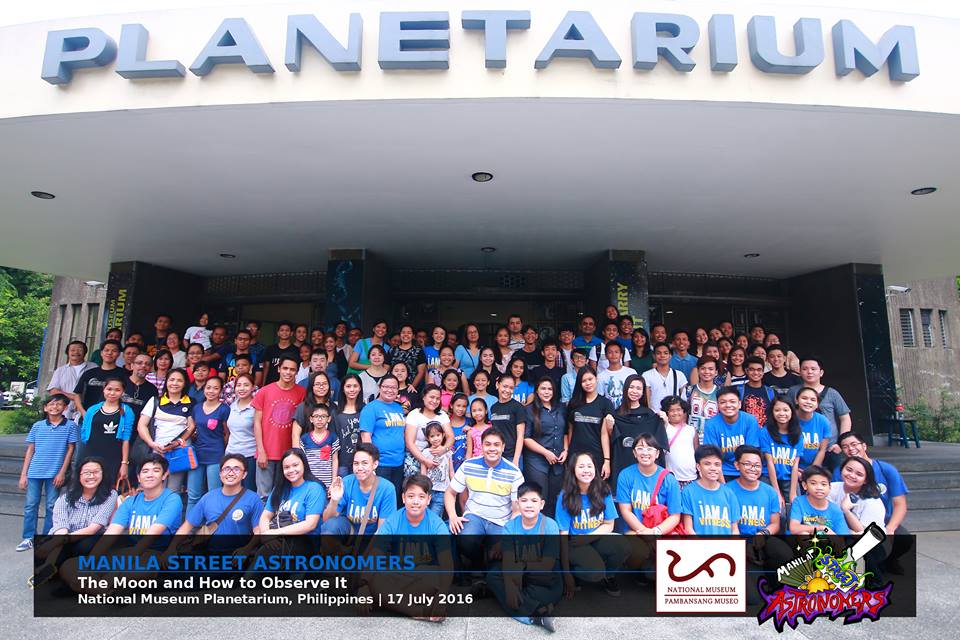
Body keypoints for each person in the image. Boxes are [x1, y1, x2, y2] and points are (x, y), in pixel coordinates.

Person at [490, 481, 562, 633]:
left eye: (534, 501)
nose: (529, 505)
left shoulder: (550, 525)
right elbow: (508, 561)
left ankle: (501, 596)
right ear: (517, 503)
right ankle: (539, 615)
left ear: (541, 504)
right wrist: (510, 586)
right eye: (524, 501)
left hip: (543, 578)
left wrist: (519, 569)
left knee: (540, 594)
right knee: (493, 576)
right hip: (518, 574)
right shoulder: (510, 527)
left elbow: (548, 564)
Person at [445, 429, 522, 566]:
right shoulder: (469, 465)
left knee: (501, 553)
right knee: (465, 539)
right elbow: (450, 492)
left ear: (503, 447)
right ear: (481, 446)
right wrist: (452, 516)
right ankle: (477, 563)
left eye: (496, 445)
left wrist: (507, 535)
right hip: (474, 516)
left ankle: (489, 568)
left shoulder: (514, 472)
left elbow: (517, 510)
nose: (492, 448)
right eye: (488, 444)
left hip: (501, 521)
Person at [555, 452, 624, 597]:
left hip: (594, 538)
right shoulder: (565, 495)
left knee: (623, 545)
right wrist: (566, 574)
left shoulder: (603, 490)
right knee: (595, 572)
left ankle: (609, 576)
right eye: (581, 466)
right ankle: (576, 572)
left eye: (589, 466)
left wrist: (588, 537)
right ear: (573, 470)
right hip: (575, 543)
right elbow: (563, 536)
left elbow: (609, 524)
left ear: (595, 469)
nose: (586, 470)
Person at [17, 395, 79, 552]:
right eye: (51, 404)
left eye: (59, 404)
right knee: (31, 505)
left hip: (55, 473)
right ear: (45, 407)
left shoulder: (70, 426)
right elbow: (31, 449)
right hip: (34, 472)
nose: (55, 407)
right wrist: (23, 474)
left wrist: (62, 473)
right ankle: (28, 537)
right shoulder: (38, 426)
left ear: (65, 408)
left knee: (52, 506)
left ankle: (46, 538)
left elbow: (70, 449)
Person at [835, 432, 909, 536]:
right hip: (850, 520)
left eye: (854, 444)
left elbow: (900, 504)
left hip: (883, 520)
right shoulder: (840, 472)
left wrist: (890, 528)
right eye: (845, 447)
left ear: (864, 446)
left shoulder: (887, 470)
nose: (851, 449)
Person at [252, 357, 306, 497]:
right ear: (278, 369)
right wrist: (261, 450)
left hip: (289, 454)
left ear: (297, 372)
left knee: (286, 495)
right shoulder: (264, 391)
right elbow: (257, 423)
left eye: (292, 369)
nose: (288, 372)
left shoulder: (302, 393)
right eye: (285, 368)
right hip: (267, 452)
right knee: (264, 495)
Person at [136, 369, 196, 495]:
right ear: (166, 382)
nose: (175, 383)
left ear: (185, 384)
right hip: (156, 451)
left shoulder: (191, 402)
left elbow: (191, 427)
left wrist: (178, 442)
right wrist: (152, 444)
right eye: (172, 379)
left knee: (173, 490)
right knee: (154, 488)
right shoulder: (155, 401)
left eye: (179, 380)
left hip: (178, 452)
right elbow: (142, 425)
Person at [175, 453, 264, 535]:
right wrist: (171, 548)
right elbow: (187, 526)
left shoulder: (253, 499)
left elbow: (258, 530)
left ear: (244, 474)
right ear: (220, 473)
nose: (231, 473)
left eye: (236, 469)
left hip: (238, 550)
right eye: (226, 469)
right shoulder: (208, 497)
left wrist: (247, 548)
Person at [788, 356, 852, 468]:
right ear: (799, 372)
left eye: (813, 369)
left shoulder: (832, 393)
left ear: (821, 372)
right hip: (801, 447)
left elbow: (845, 417)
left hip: (830, 447)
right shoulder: (793, 391)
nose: (809, 372)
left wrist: (841, 443)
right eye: (805, 369)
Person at [321, 443, 397, 535]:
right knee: (331, 526)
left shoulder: (387, 489)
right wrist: (334, 500)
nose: (359, 468)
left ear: (375, 464)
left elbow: (384, 530)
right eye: (356, 463)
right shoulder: (347, 482)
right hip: (350, 534)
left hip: (372, 539)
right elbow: (326, 521)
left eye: (365, 463)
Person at [616, 432, 682, 535]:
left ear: (657, 454)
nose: (645, 453)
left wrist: (655, 532)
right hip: (634, 531)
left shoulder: (669, 479)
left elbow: (675, 516)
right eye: (640, 448)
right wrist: (645, 532)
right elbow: (625, 510)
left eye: (649, 449)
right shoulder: (625, 475)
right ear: (634, 453)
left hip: (660, 530)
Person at [610, 376, 669, 487]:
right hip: (623, 467)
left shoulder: (650, 415)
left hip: (647, 470)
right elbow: (610, 442)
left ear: (643, 392)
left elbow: (658, 442)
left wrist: (664, 423)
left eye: (638, 388)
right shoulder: (616, 415)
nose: (634, 391)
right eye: (631, 387)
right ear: (625, 389)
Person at [522, 378, 567, 518]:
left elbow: (565, 432)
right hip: (536, 460)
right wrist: (546, 452)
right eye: (543, 388)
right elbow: (526, 438)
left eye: (550, 389)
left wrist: (566, 450)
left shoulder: (561, 408)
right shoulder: (529, 410)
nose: (546, 392)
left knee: (557, 498)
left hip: (558, 461)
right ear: (537, 390)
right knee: (540, 497)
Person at [108, 453, 184, 534]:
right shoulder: (130, 502)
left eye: (156, 471)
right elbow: (113, 531)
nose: (150, 475)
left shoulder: (172, 500)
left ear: (164, 475)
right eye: (145, 471)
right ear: (138, 478)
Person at [77, 378, 134, 486]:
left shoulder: (126, 411)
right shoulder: (92, 410)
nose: (112, 393)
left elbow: (126, 439)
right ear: (104, 390)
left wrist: (124, 463)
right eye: (109, 389)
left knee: (108, 488)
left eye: (117, 390)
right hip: (90, 453)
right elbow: (84, 432)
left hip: (113, 457)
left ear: (123, 392)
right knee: (88, 485)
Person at [258, 448, 326, 536]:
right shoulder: (279, 489)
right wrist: (265, 534)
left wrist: (275, 533)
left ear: (304, 465)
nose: (291, 470)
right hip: (278, 538)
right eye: (286, 467)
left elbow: (310, 524)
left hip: (305, 540)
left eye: (295, 465)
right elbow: (265, 516)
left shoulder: (314, 488)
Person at [187, 376, 229, 510]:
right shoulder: (197, 408)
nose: (211, 391)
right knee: (193, 495)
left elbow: (227, 433)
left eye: (216, 388)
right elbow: (192, 429)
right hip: (197, 453)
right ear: (204, 389)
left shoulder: (224, 409)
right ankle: (189, 527)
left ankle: (213, 526)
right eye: (208, 388)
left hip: (216, 455)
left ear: (221, 391)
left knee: (214, 493)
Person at [702, 387, 761, 482]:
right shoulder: (711, 425)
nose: (728, 405)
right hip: (722, 471)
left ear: (739, 404)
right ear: (718, 406)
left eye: (732, 401)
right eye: (723, 402)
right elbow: (713, 456)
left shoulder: (750, 420)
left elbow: (751, 452)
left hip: (746, 470)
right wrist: (723, 485)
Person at [358, 374, 407, 489]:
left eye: (394, 387)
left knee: (393, 499)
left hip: (398, 462)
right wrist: (371, 463)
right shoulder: (370, 408)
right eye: (386, 386)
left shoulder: (399, 408)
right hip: (380, 464)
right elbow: (366, 439)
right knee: (379, 499)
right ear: (380, 387)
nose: (390, 390)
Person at [680, 445, 741, 535]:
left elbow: (734, 529)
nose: (713, 468)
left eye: (717, 464)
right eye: (707, 464)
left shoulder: (729, 493)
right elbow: (688, 529)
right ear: (698, 466)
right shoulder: (688, 492)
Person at [566, 368, 615, 480]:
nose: (588, 383)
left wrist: (607, 461)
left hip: (597, 456)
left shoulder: (605, 404)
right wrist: (568, 453)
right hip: (575, 455)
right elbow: (570, 430)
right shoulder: (574, 403)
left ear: (596, 379)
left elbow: (605, 435)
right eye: (584, 381)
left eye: (590, 379)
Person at [728, 445, 781, 535]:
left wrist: (763, 534)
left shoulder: (770, 492)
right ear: (737, 465)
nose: (753, 469)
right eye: (747, 464)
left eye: (757, 465)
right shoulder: (727, 491)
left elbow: (775, 524)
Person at [760, 397, 802, 512]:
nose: (782, 413)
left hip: (789, 478)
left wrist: (793, 493)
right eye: (777, 410)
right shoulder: (765, 432)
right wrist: (777, 493)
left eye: (786, 410)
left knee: (795, 509)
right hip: (768, 477)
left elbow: (795, 465)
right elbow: (770, 463)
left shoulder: (798, 434)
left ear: (792, 412)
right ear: (772, 412)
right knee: (778, 511)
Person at [404, 385, 453, 478]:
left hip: (437, 457)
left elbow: (450, 436)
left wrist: (444, 449)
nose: (434, 401)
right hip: (415, 458)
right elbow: (409, 442)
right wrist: (424, 460)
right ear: (423, 397)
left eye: (438, 398)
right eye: (431, 397)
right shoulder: (414, 414)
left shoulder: (442, 415)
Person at [829, 456, 886, 534]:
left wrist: (846, 511)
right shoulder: (830, 488)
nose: (852, 475)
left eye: (859, 474)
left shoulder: (873, 502)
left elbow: (865, 533)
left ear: (866, 480)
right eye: (849, 470)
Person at [788, 465, 851, 534]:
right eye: (813, 483)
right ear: (805, 485)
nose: (819, 488)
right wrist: (822, 528)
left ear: (829, 487)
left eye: (823, 484)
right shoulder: (799, 502)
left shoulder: (835, 509)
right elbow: (794, 528)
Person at [72, 339, 127, 417]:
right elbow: (77, 394)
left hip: (113, 416)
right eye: (106, 350)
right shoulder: (89, 373)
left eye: (114, 351)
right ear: (101, 353)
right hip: (89, 414)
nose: (109, 353)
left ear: (118, 354)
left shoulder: (124, 374)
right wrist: (83, 412)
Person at [46, 340, 96, 421]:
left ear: (85, 352)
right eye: (72, 350)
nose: (76, 352)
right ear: (68, 353)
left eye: (79, 350)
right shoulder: (61, 370)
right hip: (65, 412)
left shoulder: (93, 367)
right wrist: (74, 397)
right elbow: (53, 390)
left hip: (88, 410)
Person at [225, 373, 258, 491]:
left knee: (248, 490)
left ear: (253, 387)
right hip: (231, 454)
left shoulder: (256, 408)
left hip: (249, 455)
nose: (242, 388)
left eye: (246, 385)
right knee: (231, 489)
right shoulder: (231, 406)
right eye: (238, 385)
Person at [297, 404, 340, 493]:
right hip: (309, 482)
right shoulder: (304, 439)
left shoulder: (333, 437)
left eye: (323, 416)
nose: (320, 419)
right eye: (316, 416)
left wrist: (333, 483)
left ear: (329, 419)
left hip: (327, 483)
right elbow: (302, 461)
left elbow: (335, 460)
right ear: (311, 419)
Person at [657, 395, 697, 488]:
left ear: (684, 411)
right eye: (671, 410)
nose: (675, 413)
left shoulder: (691, 430)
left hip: (691, 476)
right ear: (666, 413)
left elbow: (696, 450)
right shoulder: (664, 428)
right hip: (671, 476)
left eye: (679, 409)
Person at [489, 376, 526, 467]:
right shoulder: (494, 407)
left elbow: (520, 435)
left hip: (512, 456)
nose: (507, 390)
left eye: (511, 388)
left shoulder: (518, 407)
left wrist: (516, 459)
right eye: (505, 386)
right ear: (497, 385)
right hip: (496, 454)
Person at [643, 342, 688, 414]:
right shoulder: (647, 375)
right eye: (658, 353)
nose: (662, 355)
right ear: (654, 356)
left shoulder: (679, 375)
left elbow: (684, 399)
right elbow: (647, 400)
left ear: (670, 356)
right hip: (654, 416)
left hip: (674, 415)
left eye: (665, 353)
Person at [420, 423, 454, 515]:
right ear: (427, 438)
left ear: (443, 435)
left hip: (443, 491)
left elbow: (451, 471)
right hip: (429, 490)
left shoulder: (447, 452)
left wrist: (453, 485)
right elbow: (423, 471)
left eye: (438, 435)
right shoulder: (426, 452)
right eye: (432, 436)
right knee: (425, 514)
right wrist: (423, 487)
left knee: (435, 516)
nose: (435, 438)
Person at [683, 355, 720, 440]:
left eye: (711, 369)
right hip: (692, 436)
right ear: (698, 371)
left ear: (716, 372)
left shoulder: (720, 392)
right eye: (703, 368)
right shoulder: (689, 390)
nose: (706, 372)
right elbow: (683, 414)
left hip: (714, 436)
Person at [334, 375, 364, 478]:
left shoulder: (366, 410)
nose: (352, 389)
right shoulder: (336, 412)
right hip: (342, 462)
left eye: (355, 386)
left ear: (360, 388)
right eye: (348, 386)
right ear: (343, 388)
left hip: (362, 462)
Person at [795, 387, 831, 470]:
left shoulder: (823, 421)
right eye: (804, 398)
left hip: (813, 467)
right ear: (797, 400)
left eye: (813, 400)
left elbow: (822, 450)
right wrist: (795, 470)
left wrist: (811, 471)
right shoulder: (789, 419)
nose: (808, 402)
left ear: (817, 404)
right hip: (790, 467)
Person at [597, 341, 637, 409]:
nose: (613, 355)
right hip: (610, 413)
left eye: (616, 352)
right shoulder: (601, 376)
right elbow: (600, 398)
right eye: (610, 352)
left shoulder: (631, 372)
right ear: (606, 356)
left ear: (621, 355)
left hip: (630, 412)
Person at [738, 357, 775, 429]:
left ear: (763, 372)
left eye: (759, 370)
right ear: (746, 371)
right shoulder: (739, 391)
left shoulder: (771, 392)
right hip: (745, 434)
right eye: (752, 370)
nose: (756, 373)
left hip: (766, 434)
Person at [389, 324, 428, 388]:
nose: (406, 335)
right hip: (392, 387)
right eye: (403, 332)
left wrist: (411, 387)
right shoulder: (392, 350)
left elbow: (421, 372)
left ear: (413, 336)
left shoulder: (418, 351)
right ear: (400, 335)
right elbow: (386, 369)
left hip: (412, 388)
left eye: (409, 333)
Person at [262, 322, 300, 386]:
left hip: (288, 385)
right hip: (271, 383)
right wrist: (263, 384)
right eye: (282, 330)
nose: (284, 332)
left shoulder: (296, 350)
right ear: (278, 333)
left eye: (287, 330)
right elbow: (266, 367)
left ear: (291, 333)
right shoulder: (270, 349)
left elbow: (297, 369)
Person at [449, 394, 470, 470]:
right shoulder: (446, 424)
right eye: (458, 405)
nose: (461, 409)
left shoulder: (470, 422)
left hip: (467, 466)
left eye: (464, 406)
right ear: (451, 405)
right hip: (450, 467)